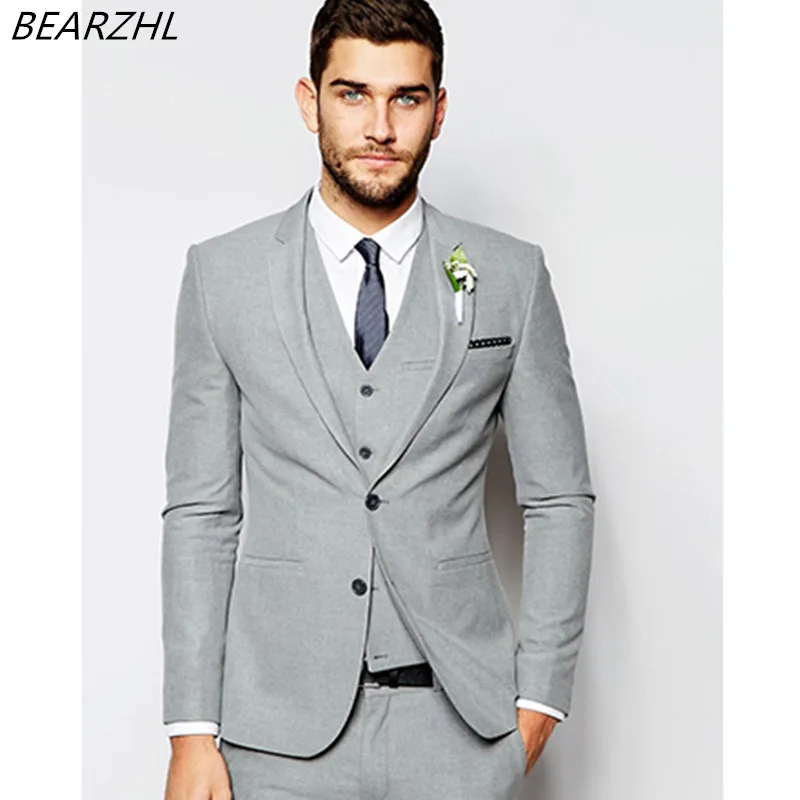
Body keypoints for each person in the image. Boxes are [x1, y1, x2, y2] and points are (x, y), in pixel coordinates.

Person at [161, 1, 595, 797]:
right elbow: (202, 511)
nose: (380, 127)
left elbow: (559, 497)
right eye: (353, 94)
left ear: (439, 111)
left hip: (461, 733)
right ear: (310, 101)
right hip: (274, 741)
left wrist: (540, 701)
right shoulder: (223, 275)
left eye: (407, 98)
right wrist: (192, 731)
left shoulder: (510, 275)